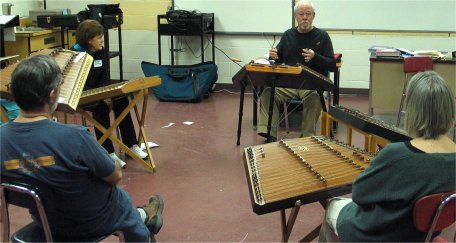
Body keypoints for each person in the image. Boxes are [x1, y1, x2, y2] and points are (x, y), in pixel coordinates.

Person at [0, 54, 164, 242]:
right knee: (120, 198)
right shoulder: (75, 137)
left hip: (46, 222)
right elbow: (115, 176)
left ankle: (143, 215)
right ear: (52, 95)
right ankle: (144, 224)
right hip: (93, 221)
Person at [318, 71, 456, 242]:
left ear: (412, 110)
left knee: (333, 205)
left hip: (380, 235)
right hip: (422, 236)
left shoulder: (397, 154)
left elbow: (360, 195)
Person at [72, 19, 147, 167]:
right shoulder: (75, 55)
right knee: (101, 108)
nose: (102, 40)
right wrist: (99, 96)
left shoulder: (101, 52)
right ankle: (108, 152)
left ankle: (131, 145)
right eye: (99, 37)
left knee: (121, 99)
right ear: (89, 39)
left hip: (100, 90)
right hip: (83, 94)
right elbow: (78, 83)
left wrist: (105, 94)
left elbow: (105, 76)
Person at [258, 0, 336, 142]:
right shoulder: (288, 35)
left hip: (312, 86)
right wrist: (273, 56)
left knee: (315, 97)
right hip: (288, 84)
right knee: (268, 91)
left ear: (313, 16)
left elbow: (332, 64)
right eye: (301, 14)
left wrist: (315, 57)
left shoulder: (323, 36)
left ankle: (307, 138)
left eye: (308, 14)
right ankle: (269, 133)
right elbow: (278, 57)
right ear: (296, 16)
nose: (305, 17)